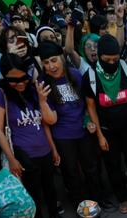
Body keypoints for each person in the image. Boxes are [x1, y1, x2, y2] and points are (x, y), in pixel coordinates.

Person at [0, 54, 70, 218]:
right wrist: (11, 159)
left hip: (44, 148)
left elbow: (46, 123)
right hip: (24, 153)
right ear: (4, 77)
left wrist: (53, 148)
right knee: (33, 193)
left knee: (50, 187)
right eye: (13, 80)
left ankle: (54, 216)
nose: (19, 84)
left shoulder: (34, 91)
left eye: (22, 79)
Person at [84, 35, 127, 214]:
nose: (112, 63)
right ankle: (122, 198)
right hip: (106, 130)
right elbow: (90, 107)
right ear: (100, 57)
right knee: (113, 165)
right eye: (107, 60)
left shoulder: (126, 69)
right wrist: (99, 135)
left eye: (115, 59)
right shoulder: (90, 77)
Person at [38, 41, 103, 206]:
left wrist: (89, 121)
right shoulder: (43, 84)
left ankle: (98, 199)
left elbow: (88, 104)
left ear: (61, 58)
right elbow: (51, 120)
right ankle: (81, 205)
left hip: (83, 130)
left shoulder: (75, 74)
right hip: (63, 136)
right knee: (71, 172)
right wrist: (42, 101)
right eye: (46, 63)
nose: (51, 66)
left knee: (91, 167)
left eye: (54, 60)